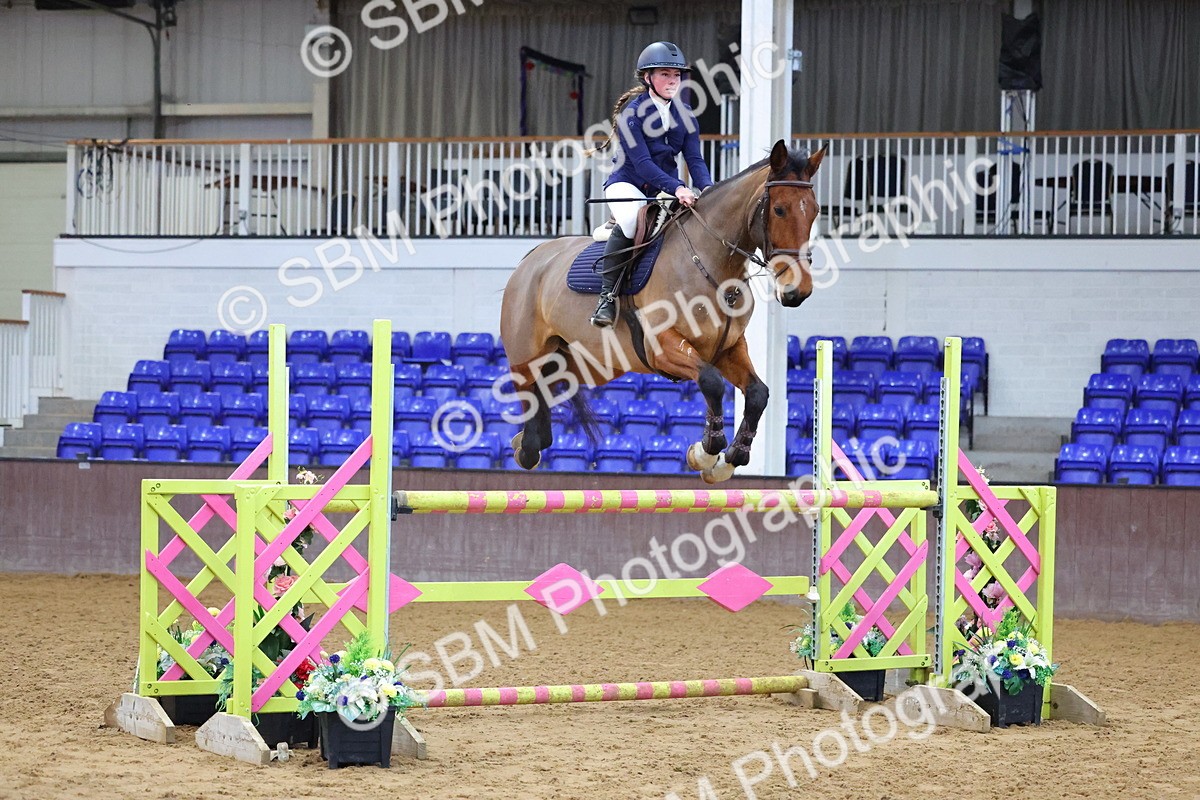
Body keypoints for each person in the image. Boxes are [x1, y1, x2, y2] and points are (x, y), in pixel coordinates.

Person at [589, 41, 714, 328]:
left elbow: (694, 159)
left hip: (665, 186)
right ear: (648, 78)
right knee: (633, 221)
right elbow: (643, 164)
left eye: (676, 75)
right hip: (628, 183)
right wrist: (679, 188)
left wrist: (707, 188)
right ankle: (607, 297)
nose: (672, 81)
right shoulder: (631, 115)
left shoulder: (686, 115)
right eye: (665, 74)